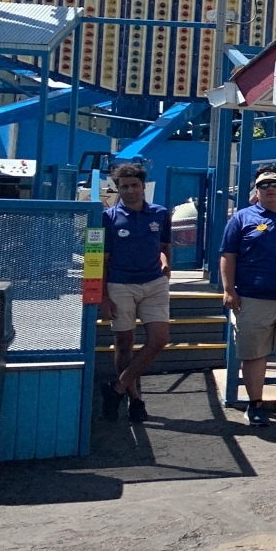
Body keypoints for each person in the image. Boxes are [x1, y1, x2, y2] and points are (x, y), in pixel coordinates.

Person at [220, 167, 276, 428]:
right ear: (256, 191)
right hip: (251, 299)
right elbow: (228, 255)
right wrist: (229, 290)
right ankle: (255, 405)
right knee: (254, 355)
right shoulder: (241, 218)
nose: (269, 188)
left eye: (274, 184)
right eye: (263, 185)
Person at [99, 161, 170, 423]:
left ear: (143, 186)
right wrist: (104, 296)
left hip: (154, 283)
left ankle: (116, 388)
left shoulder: (160, 214)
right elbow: (101, 260)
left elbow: (164, 244)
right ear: (117, 188)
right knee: (124, 343)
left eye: (135, 185)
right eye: (124, 186)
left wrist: (166, 265)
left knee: (159, 339)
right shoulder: (108, 218)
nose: (130, 190)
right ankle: (135, 399)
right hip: (120, 284)